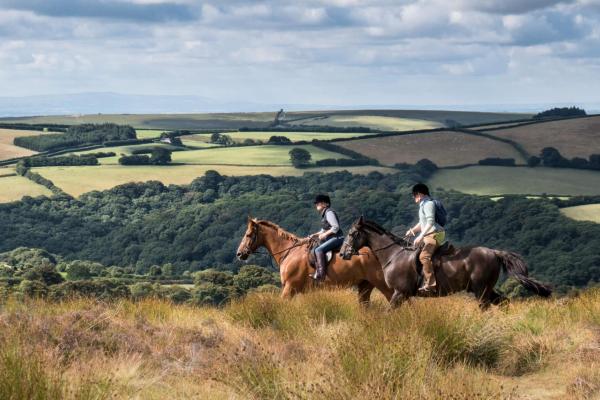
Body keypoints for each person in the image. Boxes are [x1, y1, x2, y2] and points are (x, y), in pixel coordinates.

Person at [405, 183, 445, 294]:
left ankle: (431, 285)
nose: (413, 197)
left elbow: (431, 222)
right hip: (429, 233)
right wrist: (412, 231)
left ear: (420, 194)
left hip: (436, 234)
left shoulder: (428, 204)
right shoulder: (423, 205)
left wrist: (420, 236)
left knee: (424, 256)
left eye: (414, 194)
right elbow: (422, 223)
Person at [309, 194, 344, 281]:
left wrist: (324, 235)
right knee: (314, 248)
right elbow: (324, 229)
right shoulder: (324, 214)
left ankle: (321, 274)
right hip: (332, 238)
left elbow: (335, 227)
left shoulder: (329, 213)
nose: (316, 204)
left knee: (318, 250)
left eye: (318, 203)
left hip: (337, 238)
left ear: (325, 204)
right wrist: (315, 234)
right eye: (316, 203)